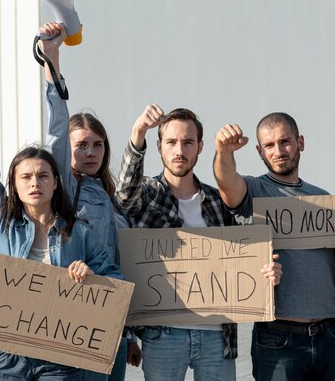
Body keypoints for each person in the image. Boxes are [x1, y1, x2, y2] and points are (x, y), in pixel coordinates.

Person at [0, 62, 123, 380]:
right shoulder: (3, 223)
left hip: (61, 357)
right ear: (15, 185)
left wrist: (91, 276)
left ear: (55, 182)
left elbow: (113, 277)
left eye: (42, 175)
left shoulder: (78, 232)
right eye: (26, 177)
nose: (35, 182)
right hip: (7, 355)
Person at [115, 104, 282, 381]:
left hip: (217, 335)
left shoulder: (218, 201)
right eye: (171, 142)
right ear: (158, 147)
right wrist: (138, 132)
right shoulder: (147, 195)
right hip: (163, 334)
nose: (179, 150)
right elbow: (123, 195)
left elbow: (244, 253)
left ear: (200, 147)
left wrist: (266, 271)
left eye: (187, 142)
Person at [213, 112, 335, 380]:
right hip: (278, 338)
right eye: (269, 145)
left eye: (285, 142)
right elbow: (226, 182)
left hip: (329, 334)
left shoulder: (324, 200)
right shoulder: (254, 191)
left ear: (300, 142)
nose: (279, 151)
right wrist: (223, 150)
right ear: (259, 151)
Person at [37, 22, 140, 380]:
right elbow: (56, 129)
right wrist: (53, 59)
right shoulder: (63, 186)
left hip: (111, 324)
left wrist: (128, 333)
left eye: (97, 144)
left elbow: (117, 261)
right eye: (81, 145)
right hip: (74, 321)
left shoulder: (111, 198)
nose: (91, 152)